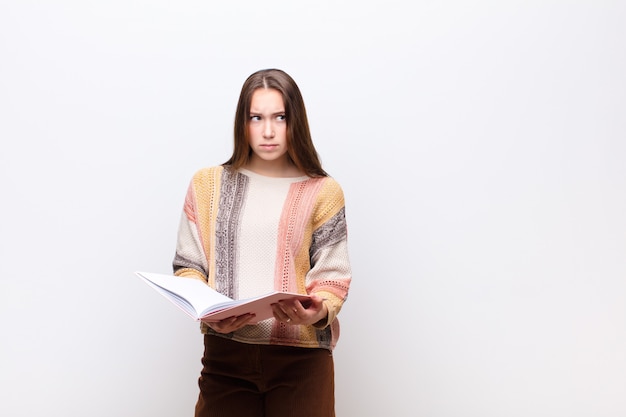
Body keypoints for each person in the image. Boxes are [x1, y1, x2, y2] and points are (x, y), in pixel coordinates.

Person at [172, 68, 352, 417]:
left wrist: (316, 311)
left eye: (279, 117)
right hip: (225, 355)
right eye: (256, 117)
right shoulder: (208, 184)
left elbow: (332, 278)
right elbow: (189, 267)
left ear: (295, 121)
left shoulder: (323, 191)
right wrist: (210, 311)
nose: (268, 130)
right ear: (243, 122)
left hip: (302, 363)